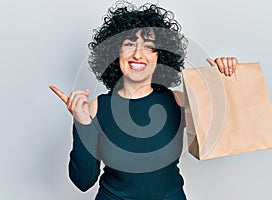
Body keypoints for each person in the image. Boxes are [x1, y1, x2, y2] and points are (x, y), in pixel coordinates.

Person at [50, 1, 238, 199]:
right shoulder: (97, 108)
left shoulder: (178, 101)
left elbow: (224, 133)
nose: (138, 54)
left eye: (148, 47)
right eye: (129, 44)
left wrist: (225, 78)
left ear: (160, 56)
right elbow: (83, 181)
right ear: (116, 52)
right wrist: (81, 122)